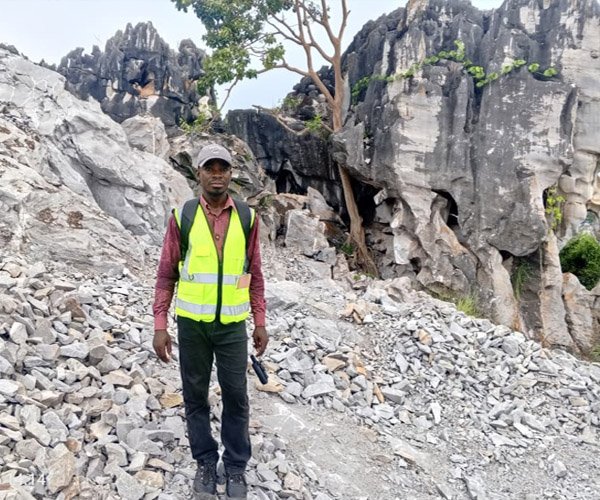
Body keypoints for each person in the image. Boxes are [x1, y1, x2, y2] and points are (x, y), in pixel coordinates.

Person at [152, 143, 268, 500]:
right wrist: (160, 325)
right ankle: (204, 461)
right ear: (198, 173)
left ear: (231, 174)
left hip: (232, 326)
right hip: (192, 325)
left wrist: (260, 321)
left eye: (223, 168)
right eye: (209, 168)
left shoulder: (247, 217)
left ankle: (235, 466)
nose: (216, 174)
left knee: (236, 396)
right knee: (195, 395)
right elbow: (166, 273)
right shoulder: (183, 216)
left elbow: (255, 272)